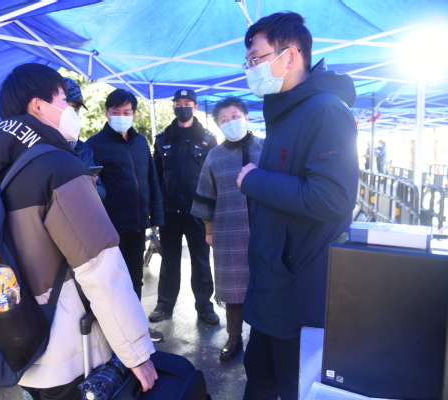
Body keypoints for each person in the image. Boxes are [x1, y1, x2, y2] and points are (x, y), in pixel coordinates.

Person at [0, 64, 157, 400]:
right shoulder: (58, 166)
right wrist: (136, 353)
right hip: (74, 351)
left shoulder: (2, 170)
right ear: (39, 106)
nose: (70, 110)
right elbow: (99, 269)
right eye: (63, 99)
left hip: (26, 342)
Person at [237, 12, 358, 399]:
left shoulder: (326, 110)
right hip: (274, 279)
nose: (250, 68)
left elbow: (332, 197)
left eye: (256, 58)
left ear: (290, 56)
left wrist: (253, 180)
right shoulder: (286, 111)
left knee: (293, 385)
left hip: (298, 285)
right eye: (248, 61)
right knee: (259, 374)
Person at [86, 89, 165, 342]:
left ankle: (137, 327)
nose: (122, 116)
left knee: (135, 279)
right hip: (111, 227)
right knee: (113, 282)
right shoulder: (94, 145)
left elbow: (151, 180)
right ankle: (115, 335)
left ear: (134, 114)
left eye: (127, 112)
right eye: (116, 111)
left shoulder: (140, 142)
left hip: (138, 223)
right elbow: (91, 189)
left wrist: (156, 217)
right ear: (106, 113)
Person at [191, 97, 263, 361]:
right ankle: (234, 337)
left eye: (235, 116)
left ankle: (264, 339)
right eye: (224, 119)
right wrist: (209, 231)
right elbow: (205, 197)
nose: (231, 122)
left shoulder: (266, 148)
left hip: (266, 231)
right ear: (218, 126)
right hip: (228, 232)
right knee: (233, 289)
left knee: (267, 285)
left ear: (246, 117)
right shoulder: (215, 155)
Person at [150, 89, 220, 325]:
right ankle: (164, 305)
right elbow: (155, 178)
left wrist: (211, 213)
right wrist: (155, 212)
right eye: (178, 103)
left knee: (201, 261)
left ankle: (205, 306)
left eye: (187, 103)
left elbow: (214, 179)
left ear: (195, 107)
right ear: (173, 106)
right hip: (169, 212)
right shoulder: (162, 140)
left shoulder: (209, 140)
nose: (183, 107)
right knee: (169, 262)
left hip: (197, 213)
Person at [63, 77, 107, 200]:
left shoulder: (84, 149)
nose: (69, 114)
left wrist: (90, 187)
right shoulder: (38, 145)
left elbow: (101, 192)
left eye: (74, 109)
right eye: (65, 108)